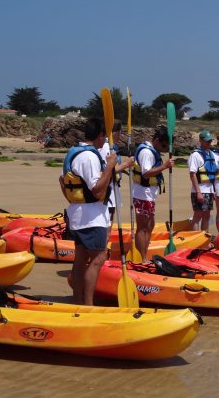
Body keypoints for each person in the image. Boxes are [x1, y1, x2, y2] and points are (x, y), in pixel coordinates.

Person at [59, 117, 120, 305]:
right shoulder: (89, 156)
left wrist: (73, 202)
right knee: (98, 259)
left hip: (77, 214)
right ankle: (88, 304)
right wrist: (110, 165)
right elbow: (97, 189)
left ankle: (78, 300)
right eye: (105, 137)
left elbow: (62, 181)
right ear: (100, 135)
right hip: (91, 217)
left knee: (80, 260)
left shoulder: (74, 152)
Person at [132, 127, 174, 261]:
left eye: (166, 147)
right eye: (163, 145)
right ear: (156, 140)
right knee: (143, 227)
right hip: (142, 194)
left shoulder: (152, 151)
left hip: (149, 194)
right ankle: (143, 257)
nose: (164, 149)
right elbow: (145, 173)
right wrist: (164, 166)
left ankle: (144, 254)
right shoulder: (146, 152)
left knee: (150, 225)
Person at [189, 130, 219, 231]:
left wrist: (214, 190)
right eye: (207, 141)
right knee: (197, 216)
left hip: (209, 190)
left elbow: (213, 173)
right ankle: (196, 242)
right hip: (200, 190)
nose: (209, 143)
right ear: (200, 141)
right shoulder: (195, 155)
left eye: (210, 141)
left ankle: (204, 241)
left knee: (207, 217)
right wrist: (198, 192)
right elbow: (192, 174)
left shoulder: (212, 154)